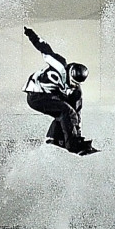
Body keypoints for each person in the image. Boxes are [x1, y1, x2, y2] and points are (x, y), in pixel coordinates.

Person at [22, 26, 96, 155]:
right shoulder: (59, 64)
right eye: (71, 82)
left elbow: (77, 114)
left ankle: (55, 138)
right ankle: (72, 145)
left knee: (68, 111)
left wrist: (78, 134)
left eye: (75, 84)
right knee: (65, 110)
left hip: (51, 96)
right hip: (35, 95)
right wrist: (30, 34)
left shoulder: (75, 91)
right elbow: (44, 48)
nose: (71, 85)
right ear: (69, 73)